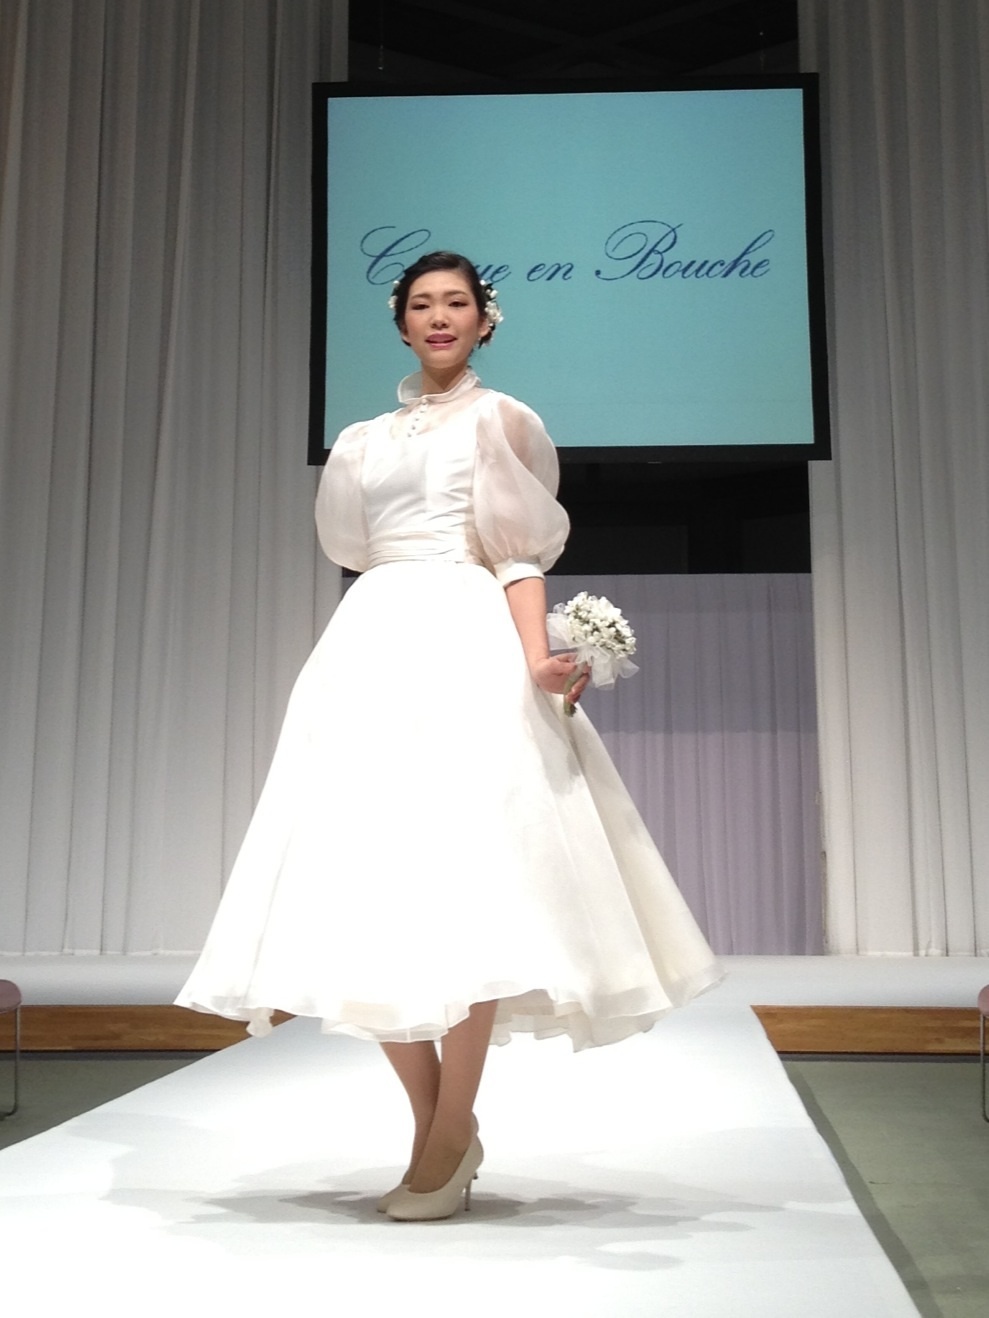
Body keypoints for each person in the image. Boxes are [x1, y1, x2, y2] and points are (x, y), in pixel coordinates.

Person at [176, 251, 721, 1221]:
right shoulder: (358, 440)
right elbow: (351, 547)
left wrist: (537, 660)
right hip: (370, 648)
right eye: (421, 304)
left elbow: (516, 556)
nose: (438, 317)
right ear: (400, 323)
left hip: (467, 645)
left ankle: (447, 1128)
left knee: (477, 885)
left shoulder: (501, 420)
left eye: (455, 303)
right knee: (367, 879)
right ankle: (438, 1126)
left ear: (483, 320)